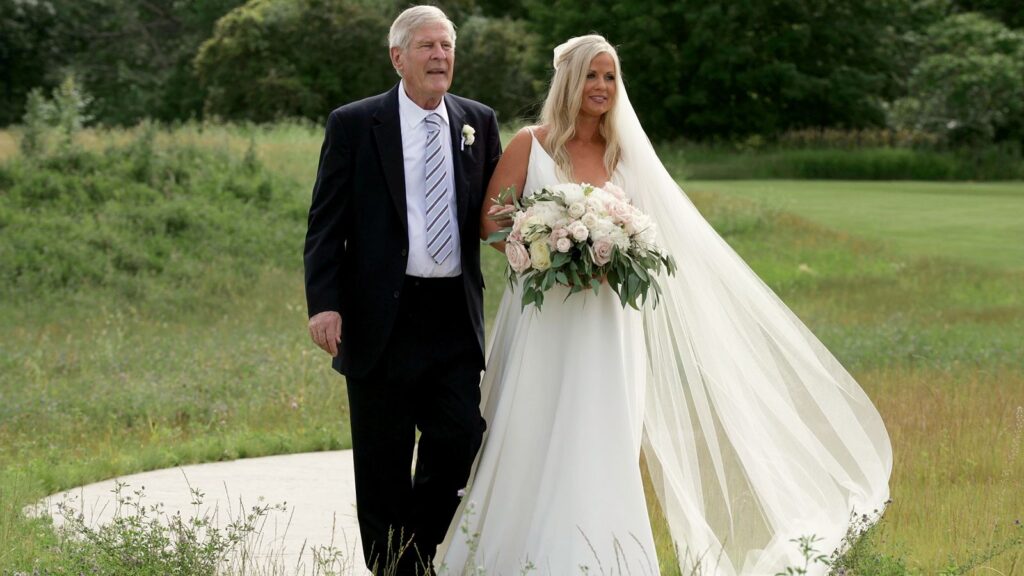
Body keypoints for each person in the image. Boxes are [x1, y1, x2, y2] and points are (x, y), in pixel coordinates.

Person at [438, 35, 892, 576]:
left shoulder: (625, 154)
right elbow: (492, 220)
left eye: (610, 76)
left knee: (600, 429)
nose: (602, 86)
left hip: (609, 321)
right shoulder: (529, 144)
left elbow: (651, 234)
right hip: (544, 317)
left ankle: (602, 560)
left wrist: (611, 252)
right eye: (591, 75)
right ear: (569, 81)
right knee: (529, 424)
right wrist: (544, 253)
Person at [303, 6, 501, 574]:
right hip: (378, 319)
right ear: (398, 57)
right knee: (382, 463)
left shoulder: (478, 121)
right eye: (427, 46)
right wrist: (324, 304)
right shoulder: (354, 124)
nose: (440, 56)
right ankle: (396, 569)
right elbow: (326, 223)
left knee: (460, 439)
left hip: (452, 316)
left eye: (447, 46)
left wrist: (555, 235)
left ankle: (415, 552)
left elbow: (498, 212)